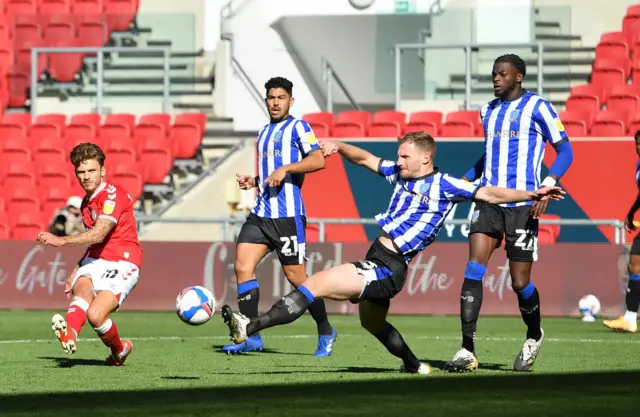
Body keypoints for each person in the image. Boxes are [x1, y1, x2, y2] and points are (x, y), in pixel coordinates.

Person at [219, 132, 565, 374]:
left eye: (404, 156)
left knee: (317, 283)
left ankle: (249, 327)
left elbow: (488, 193)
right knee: (372, 323)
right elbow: (366, 159)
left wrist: (531, 194)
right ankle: (415, 365)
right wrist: (339, 145)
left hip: (389, 266)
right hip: (378, 258)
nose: (397, 161)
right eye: (398, 155)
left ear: (425, 158)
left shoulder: (444, 184)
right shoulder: (399, 174)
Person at [444, 54, 575, 373]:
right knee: (473, 270)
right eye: (493, 74)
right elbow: (489, 155)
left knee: (519, 282)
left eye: (503, 74)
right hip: (488, 200)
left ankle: (534, 333)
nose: (496, 79)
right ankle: (466, 349)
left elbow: (566, 151)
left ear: (519, 77)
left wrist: (546, 185)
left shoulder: (538, 107)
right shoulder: (487, 111)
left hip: (522, 205)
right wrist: (465, 180)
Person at [222, 76, 338, 356]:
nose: (275, 102)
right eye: (271, 98)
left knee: (297, 278)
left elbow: (318, 160)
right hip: (261, 214)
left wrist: (286, 168)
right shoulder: (263, 132)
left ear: (291, 100)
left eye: (280, 97)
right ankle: (252, 335)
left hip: (288, 216)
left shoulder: (299, 127)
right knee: (242, 266)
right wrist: (255, 180)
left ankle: (325, 328)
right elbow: (272, 173)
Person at [36, 143, 143, 366]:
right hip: (95, 258)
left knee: (96, 315)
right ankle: (70, 334)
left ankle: (119, 350)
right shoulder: (86, 203)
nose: (86, 176)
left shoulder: (114, 195)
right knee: (81, 287)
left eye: (91, 171)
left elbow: (100, 232)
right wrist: (77, 267)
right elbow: (95, 242)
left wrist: (60, 240)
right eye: (81, 172)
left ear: (103, 170)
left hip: (123, 260)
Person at [604, 131, 640, 333]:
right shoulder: (638, 166)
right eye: (637, 143)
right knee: (634, 264)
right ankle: (630, 318)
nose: (639, 147)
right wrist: (631, 212)